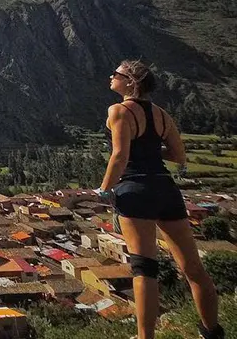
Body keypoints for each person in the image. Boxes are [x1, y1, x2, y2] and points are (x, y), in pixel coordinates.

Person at [98, 60, 222, 339]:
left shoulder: (118, 111)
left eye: (116, 73)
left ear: (131, 81)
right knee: (193, 267)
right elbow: (179, 155)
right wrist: (151, 150)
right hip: (166, 189)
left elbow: (119, 156)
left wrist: (104, 189)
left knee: (144, 268)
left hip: (135, 190)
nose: (111, 76)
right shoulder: (162, 114)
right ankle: (212, 331)